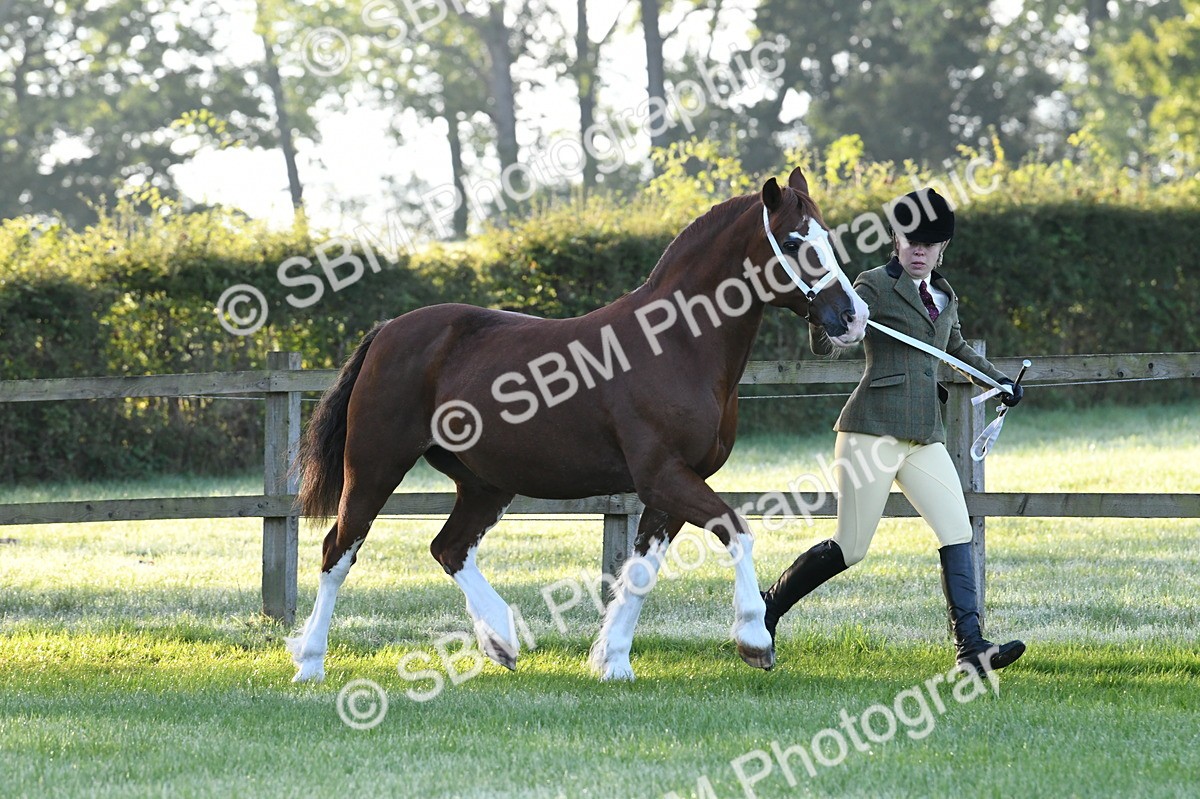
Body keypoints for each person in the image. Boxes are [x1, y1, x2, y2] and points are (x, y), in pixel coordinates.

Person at [761, 187, 1025, 673]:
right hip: (871, 432)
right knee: (852, 548)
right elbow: (829, 337)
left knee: (956, 529)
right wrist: (834, 327)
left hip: (925, 433)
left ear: (943, 247)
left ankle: (971, 649)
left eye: (929, 244)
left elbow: (958, 349)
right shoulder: (874, 285)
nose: (919, 251)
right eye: (911, 242)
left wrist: (998, 379)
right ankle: (766, 609)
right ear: (896, 240)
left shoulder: (945, 296)